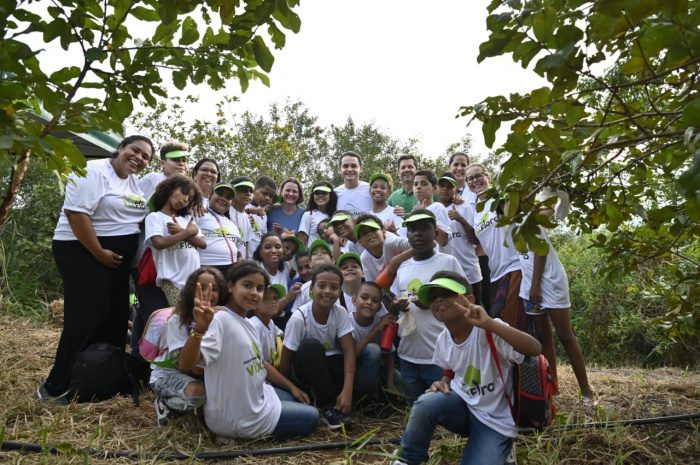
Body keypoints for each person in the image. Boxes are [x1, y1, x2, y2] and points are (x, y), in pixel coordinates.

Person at [40, 135, 154, 404]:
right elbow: (76, 214)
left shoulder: (134, 183)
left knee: (115, 318)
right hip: (82, 252)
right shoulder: (94, 171)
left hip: (114, 260)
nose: (138, 158)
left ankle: (102, 379)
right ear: (121, 148)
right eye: (135, 151)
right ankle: (58, 386)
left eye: (145, 157)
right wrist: (98, 252)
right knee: (86, 318)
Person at [393, 271, 541, 465]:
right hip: (464, 408)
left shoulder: (490, 329)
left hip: (495, 421)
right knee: (426, 402)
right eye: (434, 298)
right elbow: (450, 369)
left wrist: (489, 323)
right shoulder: (443, 339)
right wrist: (443, 382)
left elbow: (534, 349)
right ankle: (408, 458)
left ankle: (504, 449)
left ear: (469, 300)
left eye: (447, 294)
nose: (439, 300)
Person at [178, 260, 318, 440]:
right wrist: (199, 329)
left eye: (260, 289)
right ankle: (231, 435)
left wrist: (292, 388)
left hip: (259, 396)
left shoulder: (248, 323)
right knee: (313, 417)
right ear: (230, 286)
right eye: (247, 285)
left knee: (294, 398)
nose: (254, 293)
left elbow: (260, 364)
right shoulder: (220, 319)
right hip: (238, 418)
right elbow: (185, 363)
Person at [280, 264, 373, 430]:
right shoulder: (299, 318)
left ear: (340, 291)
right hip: (305, 368)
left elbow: (349, 350)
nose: (328, 291)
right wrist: (287, 390)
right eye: (321, 286)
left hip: (328, 365)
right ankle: (327, 406)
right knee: (312, 346)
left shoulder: (340, 312)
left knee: (364, 384)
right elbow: (286, 359)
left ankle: (336, 399)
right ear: (311, 290)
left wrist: (347, 390)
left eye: (334, 287)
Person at [390, 209, 466, 403]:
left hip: (440, 359)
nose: (418, 234)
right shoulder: (403, 267)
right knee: (414, 410)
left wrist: (431, 302)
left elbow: (466, 300)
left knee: (442, 412)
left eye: (424, 228)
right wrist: (397, 305)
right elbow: (395, 300)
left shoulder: (448, 262)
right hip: (407, 356)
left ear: (436, 232)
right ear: (407, 235)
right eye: (413, 229)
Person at [519, 225, 595, 403]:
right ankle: (553, 389)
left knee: (565, 335)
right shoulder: (508, 224)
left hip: (549, 283)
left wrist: (536, 285)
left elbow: (541, 250)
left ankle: (586, 391)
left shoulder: (529, 219)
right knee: (543, 336)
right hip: (528, 286)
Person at [131, 142, 190, 357]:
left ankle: (139, 358)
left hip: (169, 264)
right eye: (176, 159)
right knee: (155, 314)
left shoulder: (183, 190)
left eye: (184, 159)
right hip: (147, 259)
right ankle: (146, 362)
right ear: (162, 162)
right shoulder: (153, 179)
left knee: (149, 313)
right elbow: (137, 212)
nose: (182, 163)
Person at [151, 267, 225, 426]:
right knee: (196, 394)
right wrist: (202, 328)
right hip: (168, 375)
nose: (207, 293)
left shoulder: (221, 318)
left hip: (201, 373)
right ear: (191, 291)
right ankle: (164, 404)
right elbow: (193, 368)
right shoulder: (177, 322)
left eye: (215, 289)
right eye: (201, 287)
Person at [466, 165, 527, 332]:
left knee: (513, 325)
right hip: (495, 273)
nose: (474, 181)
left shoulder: (501, 197)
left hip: (515, 266)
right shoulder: (476, 209)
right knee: (502, 323)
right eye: (470, 179)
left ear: (488, 176)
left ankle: (531, 358)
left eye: (478, 176)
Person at [145, 175, 206, 306]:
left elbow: (203, 243)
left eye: (190, 199)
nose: (185, 200)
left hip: (193, 281)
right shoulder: (154, 217)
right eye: (184, 193)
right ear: (170, 189)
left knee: (193, 319)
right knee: (181, 318)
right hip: (172, 280)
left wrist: (183, 232)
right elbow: (159, 243)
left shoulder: (187, 219)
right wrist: (187, 232)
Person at [449, 152, 490, 309]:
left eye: (463, 165)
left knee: (486, 299)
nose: (459, 168)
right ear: (450, 167)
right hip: (463, 254)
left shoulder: (474, 190)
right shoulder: (446, 193)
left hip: (483, 252)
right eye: (456, 165)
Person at [437, 173, 483, 304]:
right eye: (442, 186)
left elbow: (475, 240)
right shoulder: (433, 209)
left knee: (475, 308)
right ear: (436, 188)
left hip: (469, 270)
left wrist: (460, 219)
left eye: (449, 186)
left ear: (456, 190)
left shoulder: (465, 207)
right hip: (446, 273)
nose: (445, 189)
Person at [350, 281, 396, 408]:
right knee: (373, 349)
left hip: (375, 369)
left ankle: (384, 395)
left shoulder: (382, 323)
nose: (369, 302)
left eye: (375, 300)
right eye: (364, 297)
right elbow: (353, 354)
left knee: (400, 381)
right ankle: (370, 401)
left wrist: (390, 384)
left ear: (379, 307)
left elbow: (388, 356)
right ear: (354, 300)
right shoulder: (347, 321)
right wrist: (376, 329)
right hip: (351, 371)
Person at [196, 182, 240, 275]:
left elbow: (237, 249)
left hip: (231, 271)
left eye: (228, 198)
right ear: (210, 195)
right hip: (205, 269)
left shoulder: (232, 224)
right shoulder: (199, 213)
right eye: (220, 194)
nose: (224, 199)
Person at [354, 213, 411, 282]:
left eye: (373, 229)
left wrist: (396, 260)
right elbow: (373, 285)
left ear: (383, 231)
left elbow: (421, 246)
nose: (369, 234)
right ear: (359, 241)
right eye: (364, 233)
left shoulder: (391, 242)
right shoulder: (364, 258)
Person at [253, 232, 296, 311]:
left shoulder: (286, 268)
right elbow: (263, 309)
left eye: (277, 247)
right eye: (268, 247)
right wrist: (288, 297)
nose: (273, 251)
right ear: (260, 252)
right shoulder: (254, 272)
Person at [249, 283, 287, 368]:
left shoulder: (270, 322)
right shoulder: (254, 325)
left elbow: (282, 334)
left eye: (275, 298)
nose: (273, 301)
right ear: (254, 305)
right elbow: (260, 363)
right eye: (266, 298)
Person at [411, 170, 451, 249]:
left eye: (424, 184)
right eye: (415, 184)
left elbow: (443, 241)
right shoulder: (414, 211)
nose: (418, 187)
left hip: (437, 260)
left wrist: (423, 216)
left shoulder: (438, 207)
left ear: (434, 188)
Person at [334, 151, 373, 217]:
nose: (349, 169)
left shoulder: (371, 189)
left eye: (353, 166)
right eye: (345, 166)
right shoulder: (334, 194)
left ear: (361, 169)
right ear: (339, 169)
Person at [298, 180, 337, 245]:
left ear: (331, 195)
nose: (320, 195)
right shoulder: (308, 215)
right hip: (313, 254)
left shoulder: (335, 216)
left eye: (324, 193)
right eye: (317, 193)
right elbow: (302, 242)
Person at [246, 176, 277, 255]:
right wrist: (253, 211)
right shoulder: (243, 205)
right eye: (265, 193)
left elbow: (262, 238)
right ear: (254, 190)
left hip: (256, 260)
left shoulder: (264, 215)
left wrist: (274, 232)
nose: (267, 198)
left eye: (270, 196)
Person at [229, 176, 255, 260]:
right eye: (243, 190)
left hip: (240, 266)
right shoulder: (226, 212)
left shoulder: (248, 218)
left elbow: (246, 244)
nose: (248, 193)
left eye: (251, 191)